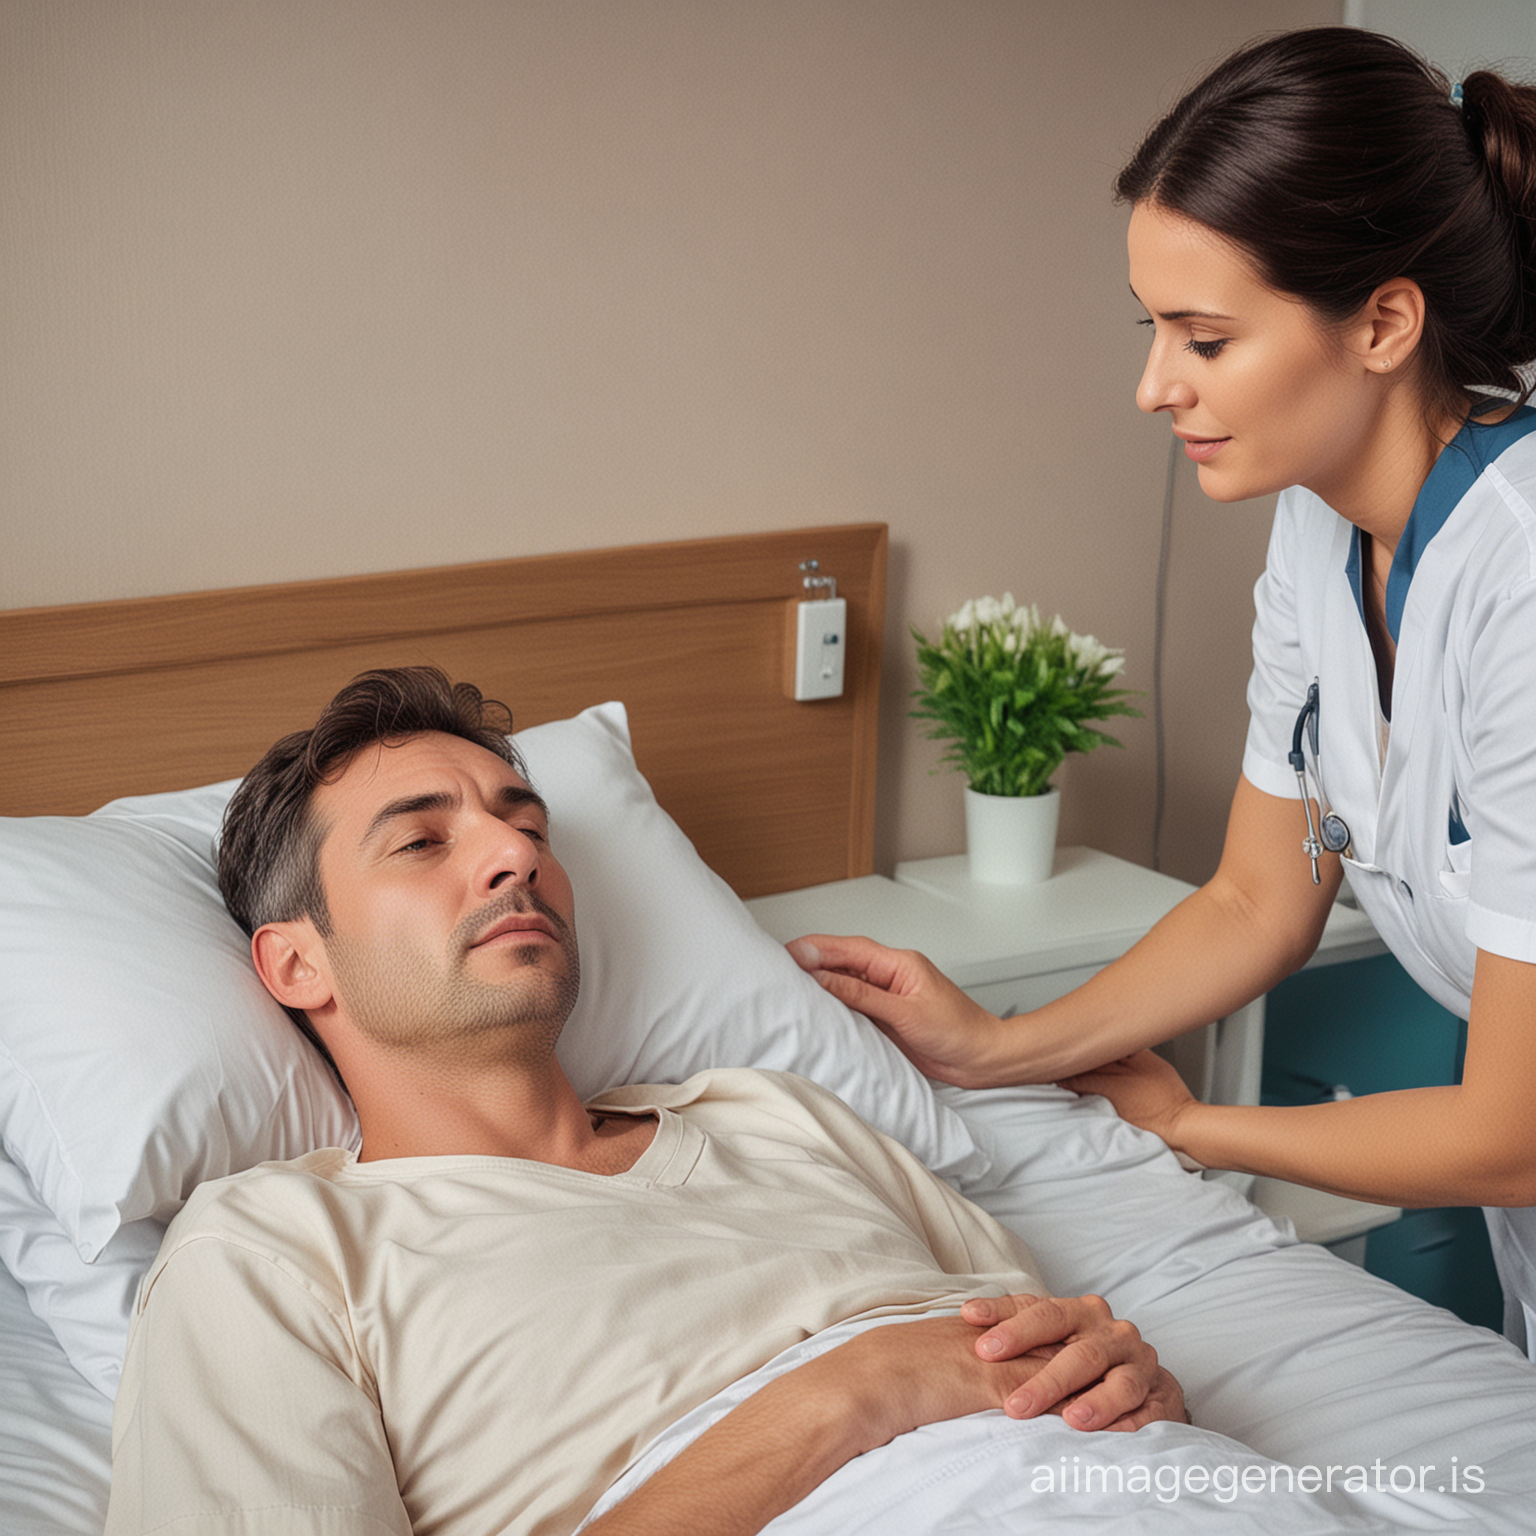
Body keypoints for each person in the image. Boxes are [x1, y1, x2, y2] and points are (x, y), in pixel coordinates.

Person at [788, 26, 1536, 1362]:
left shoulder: (1523, 576)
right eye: (1154, 331)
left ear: (1382, 321)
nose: (1153, 388)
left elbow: (1511, 1129)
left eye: (1204, 337)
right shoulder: (1320, 535)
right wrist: (991, 1048)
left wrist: (1192, 1128)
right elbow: (1266, 890)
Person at [103, 666, 1184, 1536]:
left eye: (527, 824)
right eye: (424, 841)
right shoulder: (273, 1255)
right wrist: (850, 1392)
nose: (515, 853)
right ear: (296, 966)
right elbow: (910, 1376)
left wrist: (1135, 1388)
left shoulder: (775, 1114)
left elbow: (1057, 1368)